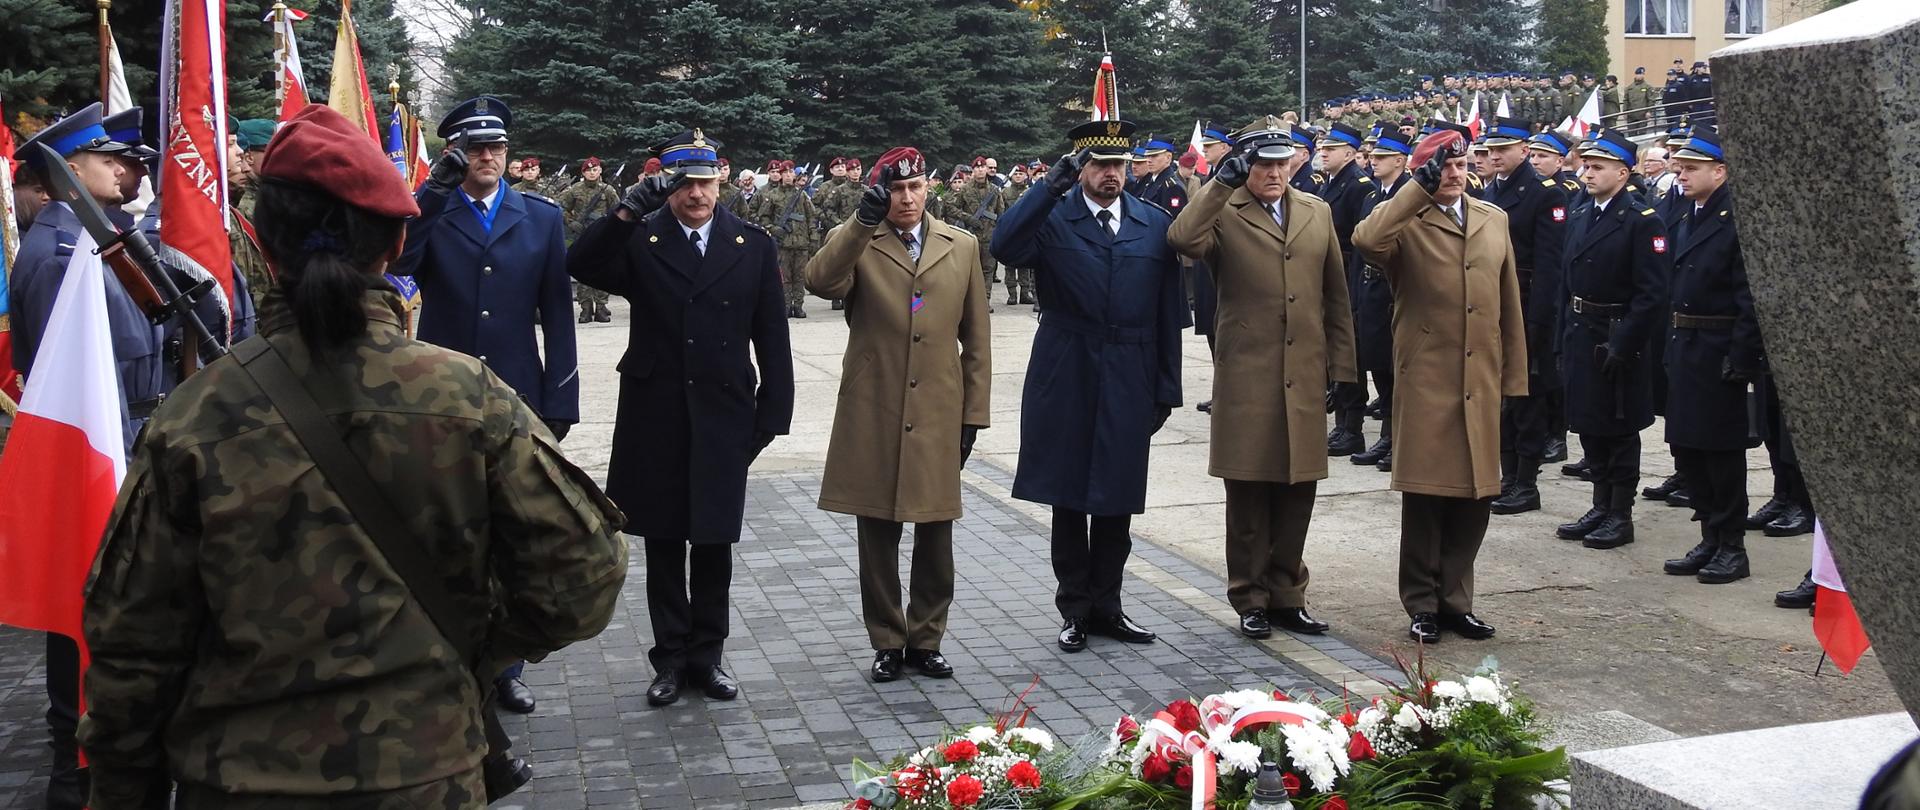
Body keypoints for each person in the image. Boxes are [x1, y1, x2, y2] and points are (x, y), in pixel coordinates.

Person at [78, 104, 627, 810]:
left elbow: (131, 639)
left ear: (265, 245)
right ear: (396, 243)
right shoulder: (468, 397)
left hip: (241, 780)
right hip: (422, 773)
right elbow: (584, 576)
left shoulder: (193, 416)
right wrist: (474, 646)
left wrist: (125, 789)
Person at [567, 128, 795, 706]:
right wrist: (624, 211)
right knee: (665, 542)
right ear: (668, 185)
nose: (698, 193)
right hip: (658, 411)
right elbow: (582, 263)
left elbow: (772, 334)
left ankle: (708, 657)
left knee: (714, 541)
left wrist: (773, 414)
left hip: (724, 409)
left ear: (721, 177)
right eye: (685, 183)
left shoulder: (753, 243)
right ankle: (669, 659)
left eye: (706, 180)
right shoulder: (642, 240)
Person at [391, 96, 580, 714]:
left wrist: (562, 393)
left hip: (516, 390)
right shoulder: (435, 213)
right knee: (449, 527)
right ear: (457, 155)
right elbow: (398, 268)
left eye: (497, 147)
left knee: (513, 529)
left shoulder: (541, 217)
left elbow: (557, 310)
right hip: (440, 393)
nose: (488, 157)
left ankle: (506, 667)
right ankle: (453, 658)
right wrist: (426, 199)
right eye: (476, 149)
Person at [993, 119, 1186, 654]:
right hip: (1066, 367)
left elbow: (1168, 314)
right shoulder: (1054, 217)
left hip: (1130, 370)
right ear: (1081, 169)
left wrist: (1166, 386)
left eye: (1119, 166)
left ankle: (1109, 605)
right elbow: (1005, 244)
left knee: (1118, 496)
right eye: (1099, 166)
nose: (1111, 176)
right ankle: (1074, 607)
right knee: (1069, 494)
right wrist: (1047, 186)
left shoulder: (1152, 224)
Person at [804, 147, 991, 683]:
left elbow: (976, 340)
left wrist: (973, 414)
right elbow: (819, 281)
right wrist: (861, 222)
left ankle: (926, 638)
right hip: (875, 405)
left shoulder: (962, 246)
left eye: (914, 188)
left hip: (938, 407)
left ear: (929, 188)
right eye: (895, 190)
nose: (905, 199)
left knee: (935, 531)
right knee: (877, 531)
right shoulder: (860, 239)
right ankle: (887, 639)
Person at [1166, 117, 1356, 639]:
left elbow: (1335, 296)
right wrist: (1218, 185)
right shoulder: (1225, 210)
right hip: (1248, 373)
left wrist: (1343, 368)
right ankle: (1250, 596)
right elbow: (1183, 241)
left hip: (1304, 372)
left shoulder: (1316, 211)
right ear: (1248, 165)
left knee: (1298, 490)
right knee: (1248, 492)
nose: (1275, 172)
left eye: (1282, 162)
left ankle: (1288, 594)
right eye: (1264, 163)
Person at [1351, 127, 1526, 645]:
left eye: (1460, 165)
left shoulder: (1494, 218)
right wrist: (1416, 189)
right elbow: (1365, 240)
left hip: (1481, 374)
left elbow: (1508, 301)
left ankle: (1456, 600)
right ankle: (1422, 603)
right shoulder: (1407, 219)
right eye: (1442, 167)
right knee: (1427, 497)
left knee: (1475, 495)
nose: (1454, 174)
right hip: (1427, 375)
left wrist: (1514, 377)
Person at [1553, 128, 1670, 551]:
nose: (1587, 173)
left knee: (1618, 428)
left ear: (1623, 173)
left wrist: (1626, 344)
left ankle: (1620, 513)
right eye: (1585, 165)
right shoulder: (1582, 212)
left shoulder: (1641, 220)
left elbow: (1652, 293)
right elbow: (1567, 281)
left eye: (1598, 167)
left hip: (1617, 335)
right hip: (1582, 332)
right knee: (1589, 424)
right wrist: (1561, 337)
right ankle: (1600, 505)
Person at [1653, 126, 1758, 586]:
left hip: (1718, 349)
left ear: (1721, 171)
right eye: (1680, 167)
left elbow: (1749, 296)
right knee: (1686, 447)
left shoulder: (1735, 218)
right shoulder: (1686, 214)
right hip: (1684, 345)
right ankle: (1709, 533)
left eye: (1691, 168)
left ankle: (1731, 545)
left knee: (1721, 453)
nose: (1681, 174)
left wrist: (1742, 357)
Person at [1478, 117, 1569, 517]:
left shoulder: (1544, 193)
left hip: (1526, 304)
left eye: (1503, 149)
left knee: (1525, 395)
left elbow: (1551, 265)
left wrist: (1537, 321)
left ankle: (1526, 481)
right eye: (1490, 150)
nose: (1494, 156)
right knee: (1498, 396)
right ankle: (1506, 473)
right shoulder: (1490, 190)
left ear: (1524, 150)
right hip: (1492, 302)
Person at [1348, 124, 1414, 471]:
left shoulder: (1410, 194)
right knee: (1379, 368)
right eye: (1373, 155)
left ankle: (1397, 436)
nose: (1374, 160)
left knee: (1396, 369)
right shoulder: (1373, 195)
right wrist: (1357, 296)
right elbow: (1360, 248)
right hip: (1372, 291)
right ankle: (1387, 434)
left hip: (1394, 293)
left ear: (1401, 160)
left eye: (1383, 156)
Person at [1316, 123, 1374, 457]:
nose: (1323, 153)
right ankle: (1341, 424)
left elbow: (1357, 242)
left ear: (1350, 153)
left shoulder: (1357, 186)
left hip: (1348, 279)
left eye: (1331, 149)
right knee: (1335, 354)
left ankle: (1351, 427)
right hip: (1330, 276)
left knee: (1349, 354)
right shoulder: (1333, 183)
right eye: (1323, 148)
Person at [749, 159, 819, 318]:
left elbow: (811, 217)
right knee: (784, 277)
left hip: (801, 242)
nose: (788, 176)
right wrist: (773, 229)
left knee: (800, 277)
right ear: (780, 175)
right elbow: (762, 217)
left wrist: (813, 237)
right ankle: (786, 306)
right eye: (785, 173)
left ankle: (799, 306)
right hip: (783, 243)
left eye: (790, 172)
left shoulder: (801, 195)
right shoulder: (772, 195)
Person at [556, 156, 621, 323]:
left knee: (601, 269)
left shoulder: (607, 190)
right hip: (581, 234)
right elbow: (561, 207)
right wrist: (571, 223)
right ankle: (585, 308)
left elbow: (618, 210)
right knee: (582, 270)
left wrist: (609, 226)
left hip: (601, 235)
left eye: (594, 169)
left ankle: (601, 308)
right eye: (588, 170)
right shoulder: (574, 190)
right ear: (583, 172)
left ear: (599, 171)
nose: (591, 173)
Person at [947, 156, 1008, 310]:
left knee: (988, 270)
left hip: (989, 236)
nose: (980, 170)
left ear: (987, 170)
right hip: (971, 236)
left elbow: (1001, 213)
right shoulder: (965, 190)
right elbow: (951, 208)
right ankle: (971, 302)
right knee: (971, 271)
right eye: (977, 167)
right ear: (973, 170)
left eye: (983, 167)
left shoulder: (994, 190)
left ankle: (985, 302)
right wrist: (968, 219)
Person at [813, 157, 861, 311]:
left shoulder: (865, 190)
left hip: (861, 232)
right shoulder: (834, 189)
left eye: (858, 169)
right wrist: (837, 224)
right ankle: (837, 296)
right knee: (839, 263)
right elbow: (824, 208)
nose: (855, 172)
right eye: (851, 169)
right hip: (839, 231)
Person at [1001, 162, 1038, 307]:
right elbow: (1001, 211)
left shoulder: (1030, 191)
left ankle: (1024, 293)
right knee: (1009, 265)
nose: (1018, 176)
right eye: (1015, 173)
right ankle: (1012, 294)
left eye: (1020, 173)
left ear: (1025, 175)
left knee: (1025, 264)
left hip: (1025, 232)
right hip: (1010, 232)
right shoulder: (1005, 193)